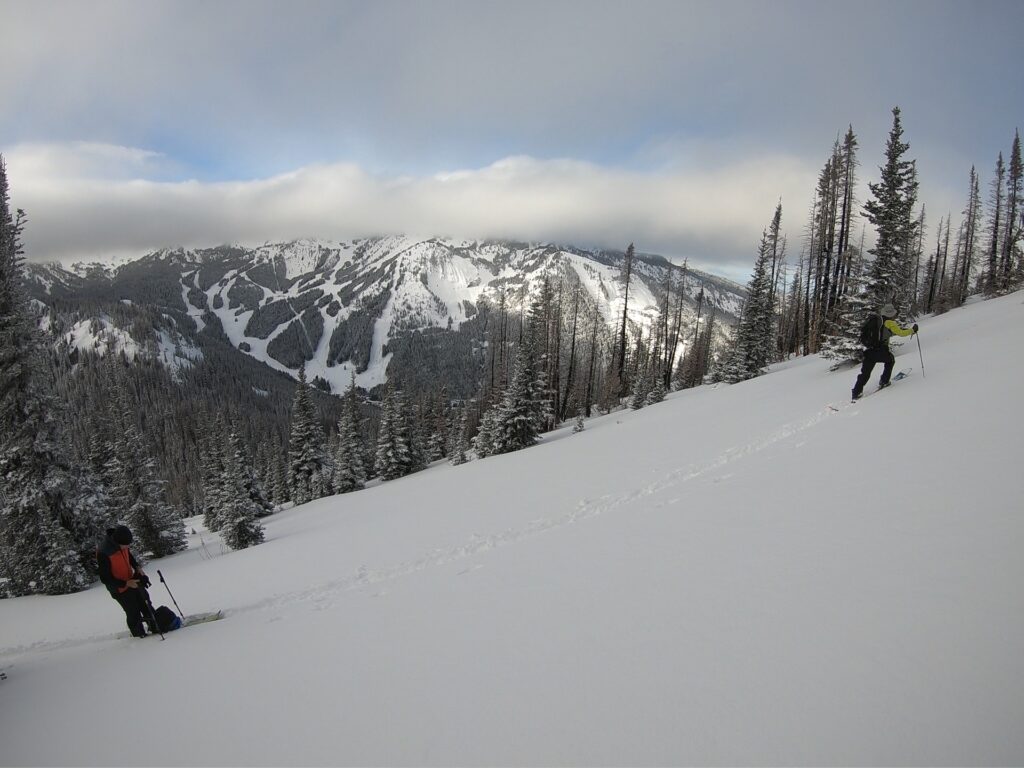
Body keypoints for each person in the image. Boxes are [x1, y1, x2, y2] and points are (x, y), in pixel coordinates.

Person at [97, 525, 155, 637]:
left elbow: (128, 555)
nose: (128, 547)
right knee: (133, 612)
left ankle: (155, 626)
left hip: (130, 580)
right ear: (117, 542)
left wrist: (137, 567)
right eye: (126, 545)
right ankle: (139, 636)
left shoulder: (122, 543)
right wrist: (126, 583)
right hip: (118, 588)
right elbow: (105, 579)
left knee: (145, 603)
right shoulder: (104, 553)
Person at [852, 303, 918, 400]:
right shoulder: (890, 323)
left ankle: (856, 392)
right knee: (890, 360)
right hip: (881, 350)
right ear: (892, 314)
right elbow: (901, 333)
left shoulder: (877, 321)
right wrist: (912, 330)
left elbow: (888, 333)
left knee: (865, 372)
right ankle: (884, 381)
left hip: (869, 350)